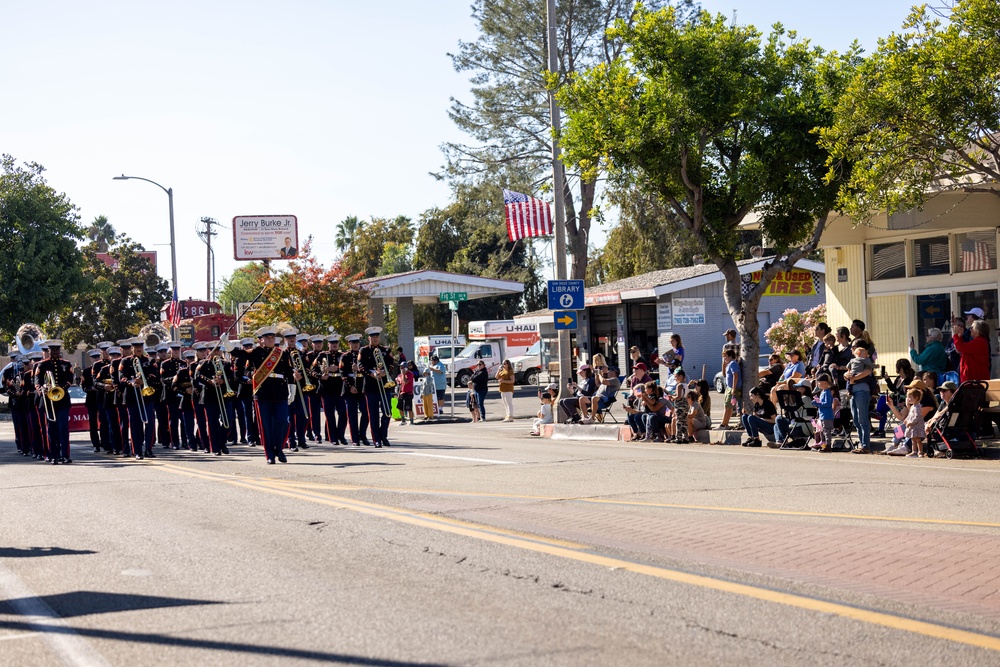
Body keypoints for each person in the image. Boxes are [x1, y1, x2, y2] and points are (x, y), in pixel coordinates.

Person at [248, 325, 300, 464]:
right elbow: (239, 354)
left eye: (272, 338)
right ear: (262, 340)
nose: (270, 340)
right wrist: (227, 342)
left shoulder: (281, 353)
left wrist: (292, 391)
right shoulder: (256, 352)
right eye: (267, 338)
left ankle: (280, 448)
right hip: (264, 393)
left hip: (280, 392)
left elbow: (289, 373)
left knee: (283, 421)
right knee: (266, 426)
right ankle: (270, 454)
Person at [33, 340, 74, 464]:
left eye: (57, 350)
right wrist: (42, 389)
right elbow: (37, 381)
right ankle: (54, 455)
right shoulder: (42, 365)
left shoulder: (66, 364)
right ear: (49, 351)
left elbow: (69, 380)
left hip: (63, 401)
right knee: (51, 429)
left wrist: (60, 388)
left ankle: (65, 455)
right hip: (48, 401)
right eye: (53, 350)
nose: (55, 352)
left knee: (63, 428)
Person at [359, 326, 394, 447]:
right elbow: (361, 366)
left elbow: (391, 364)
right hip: (371, 386)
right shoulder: (364, 351)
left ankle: (383, 435)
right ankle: (376, 439)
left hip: (385, 385)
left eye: (377, 336)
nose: (375, 339)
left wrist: (385, 372)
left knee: (387, 412)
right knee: (373, 414)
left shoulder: (386, 349)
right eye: (372, 337)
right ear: (369, 338)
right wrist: (372, 374)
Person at [844, 340, 875, 454]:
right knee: (856, 420)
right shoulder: (853, 362)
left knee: (863, 419)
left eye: (853, 347)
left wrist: (853, 378)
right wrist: (846, 375)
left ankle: (865, 445)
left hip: (862, 390)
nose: (851, 349)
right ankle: (862, 444)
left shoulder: (866, 361)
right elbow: (847, 372)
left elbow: (868, 372)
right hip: (853, 391)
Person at [874, 359, 916, 438]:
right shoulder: (898, 378)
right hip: (895, 401)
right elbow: (893, 389)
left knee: (900, 423)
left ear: (900, 368)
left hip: (903, 403)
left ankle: (878, 418)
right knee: (884, 402)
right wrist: (887, 379)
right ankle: (881, 430)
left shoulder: (908, 380)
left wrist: (904, 402)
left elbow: (909, 394)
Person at [886, 387, 927, 458]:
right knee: (899, 428)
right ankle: (895, 444)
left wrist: (911, 422)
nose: (908, 399)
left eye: (910, 397)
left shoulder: (924, 403)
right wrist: (891, 406)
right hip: (910, 425)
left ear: (916, 397)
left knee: (915, 438)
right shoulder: (911, 406)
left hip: (917, 426)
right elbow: (901, 416)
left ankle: (905, 447)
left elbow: (918, 417)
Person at [340, 334, 365, 445]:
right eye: (353, 343)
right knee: (352, 415)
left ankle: (362, 435)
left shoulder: (362, 355)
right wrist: (350, 386)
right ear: (349, 344)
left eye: (357, 343)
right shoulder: (345, 357)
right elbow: (342, 373)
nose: (355, 345)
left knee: (366, 412)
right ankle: (355, 439)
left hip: (362, 387)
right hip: (350, 388)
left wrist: (358, 369)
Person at [952, 318, 991, 383]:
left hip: (975, 379)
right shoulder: (979, 341)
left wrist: (955, 335)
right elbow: (963, 349)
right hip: (972, 378)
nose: (970, 330)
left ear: (978, 330)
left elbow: (962, 347)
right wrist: (960, 337)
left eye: (972, 328)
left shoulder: (980, 341)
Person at [809, 373, 836, 451]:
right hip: (823, 415)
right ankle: (824, 445)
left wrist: (817, 404)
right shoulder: (823, 392)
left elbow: (827, 403)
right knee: (823, 431)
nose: (818, 384)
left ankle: (828, 446)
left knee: (827, 431)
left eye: (819, 382)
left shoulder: (827, 392)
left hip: (827, 415)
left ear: (825, 382)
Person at [718, 348, 741, 429]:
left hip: (732, 388)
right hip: (729, 387)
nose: (724, 358)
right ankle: (725, 423)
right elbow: (724, 374)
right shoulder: (729, 364)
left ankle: (723, 424)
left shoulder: (733, 364)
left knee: (728, 406)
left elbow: (735, 375)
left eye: (726, 356)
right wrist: (724, 365)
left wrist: (733, 388)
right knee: (728, 406)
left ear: (731, 356)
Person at [396, 361, 416, 425]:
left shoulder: (410, 374)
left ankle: (411, 421)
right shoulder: (400, 375)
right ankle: (403, 420)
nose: (401, 368)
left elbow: (405, 382)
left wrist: (404, 374)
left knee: (409, 408)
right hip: (402, 393)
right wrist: (399, 394)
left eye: (402, 367)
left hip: (408, 393)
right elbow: (400, 385)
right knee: (400, 407)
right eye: (400, 367)